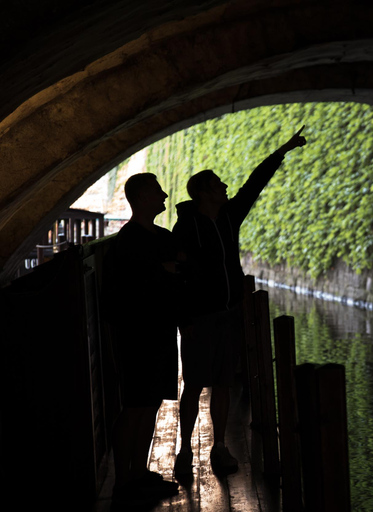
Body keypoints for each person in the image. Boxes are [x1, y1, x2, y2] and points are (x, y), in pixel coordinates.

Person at [172, 125, 307, 477]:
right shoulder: (186, 226)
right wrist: (184, 317)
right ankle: (184, 450)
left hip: (229, 314)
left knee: (223, 383)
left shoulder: (230, 217)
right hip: (200, 319)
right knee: (194, 386)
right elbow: (176, 272)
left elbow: (254, 183)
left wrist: (282, 151)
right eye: (217, 183)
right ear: (203, 192)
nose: (225, 186)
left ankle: (219, 447)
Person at [102, 173, 183, 505]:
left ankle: (138, 472)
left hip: (159, 329)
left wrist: (166, 270)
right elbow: (134, 287)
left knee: (150, 404)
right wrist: (165, 271)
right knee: (135, 405)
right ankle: (124, 480)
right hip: (137, 334)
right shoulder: (129, 240)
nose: (164, 195)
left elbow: (178, 268)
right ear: (141, 198)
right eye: (157, 191)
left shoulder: (154, 237)